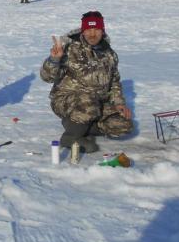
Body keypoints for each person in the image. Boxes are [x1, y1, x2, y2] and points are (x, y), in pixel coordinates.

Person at [40, 11, 133, 154]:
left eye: (96, 29)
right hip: (66, 100)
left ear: (102, 31)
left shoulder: (110, 54)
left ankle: (78, 125)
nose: (92, 34)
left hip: (96, 103)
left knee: (122, 125)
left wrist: (119, 103)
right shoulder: (70, 49)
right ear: (83, 31)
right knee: (88, 100)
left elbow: (114, 82)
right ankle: (70, 137)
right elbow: (47, 77)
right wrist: (54, 60)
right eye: (89, 30)